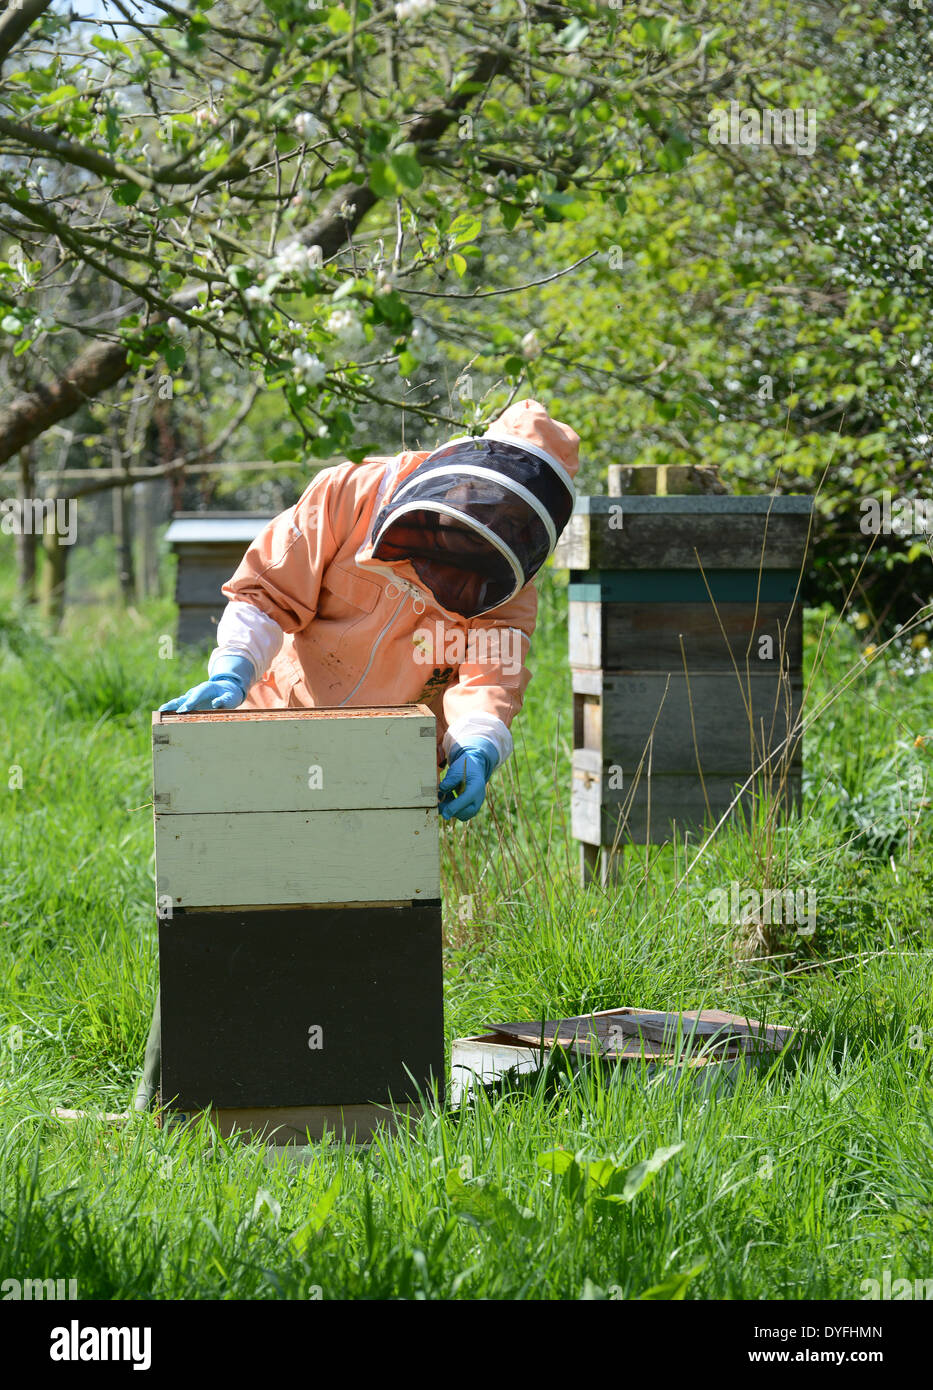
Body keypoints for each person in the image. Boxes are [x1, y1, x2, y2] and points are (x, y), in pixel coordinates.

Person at [160, 397, 581, 821]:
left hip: (392, 762)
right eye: (487, 502)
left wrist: (478, 745)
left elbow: (491, 676)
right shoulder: (350, 493)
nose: (491, 526)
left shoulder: (509, 585)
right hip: (278, 718)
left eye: (510, 522)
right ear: (467, 467)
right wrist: (234, 667)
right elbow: (268, 590)